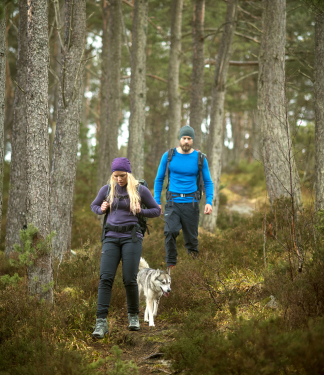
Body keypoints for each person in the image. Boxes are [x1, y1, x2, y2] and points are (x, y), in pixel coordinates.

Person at [91, 157, 161, 339]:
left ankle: (133, 317)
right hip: (110, 238)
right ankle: (101, 323)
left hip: (132, 237)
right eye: (115, 176)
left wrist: (140, 211)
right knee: (105, 278)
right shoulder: (107, 190)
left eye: (122, 176)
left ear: (128, 174)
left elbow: (156, 210)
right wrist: (102, 208)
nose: (119, 179)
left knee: (130, 278)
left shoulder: (140, 190)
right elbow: (94, 205)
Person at [154, 125, 213, 269]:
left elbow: (208, 181)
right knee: (170, 232)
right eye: (184, 138)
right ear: (180, 139)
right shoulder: (168, 156)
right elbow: (159, 179)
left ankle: (192, 269)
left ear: (193, 140)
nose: (186, 141)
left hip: (191, 203)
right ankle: (171, 266)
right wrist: (156, 201)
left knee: (191, 240)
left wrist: (209, 201)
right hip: (173, 203)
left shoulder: (200, 158)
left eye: (189, 138)